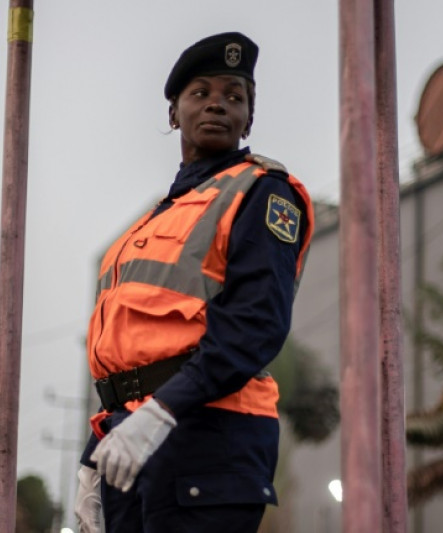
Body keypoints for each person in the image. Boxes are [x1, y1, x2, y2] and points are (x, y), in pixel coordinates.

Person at [74, 31, 314, 533]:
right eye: (200, 93)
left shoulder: (263, 192)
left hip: (209, 435)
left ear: (250, 115)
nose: (218, 106)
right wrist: (94, 451)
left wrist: (160, 413)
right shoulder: (147, 225)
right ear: (173, 112)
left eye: (234, 96)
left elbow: (255, 326)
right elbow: (131, 353)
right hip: (130, 437)